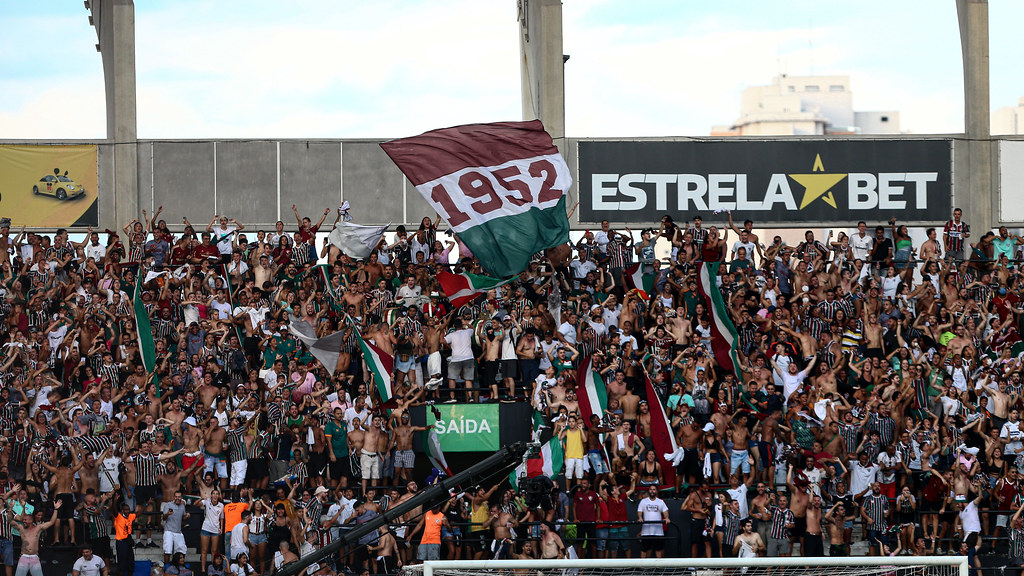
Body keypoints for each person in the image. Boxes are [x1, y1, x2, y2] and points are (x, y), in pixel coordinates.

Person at [12, 500, 61, 576]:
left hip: (34, 557)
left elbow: (52, 522)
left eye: (25, 520)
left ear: (31, 520)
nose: (23, 521)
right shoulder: (22, 528)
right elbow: (10, 521)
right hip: (23, 556)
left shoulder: (38, 528)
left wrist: (56, 509)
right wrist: (11, 509)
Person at [637, 485, 668, 559]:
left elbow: (665, 511)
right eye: (650, 489)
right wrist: (640, 517)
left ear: (656, 491)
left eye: (654, 489)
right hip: (646, 531)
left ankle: (659, 567)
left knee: (658, 549)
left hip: (658, 531)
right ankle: (643, 567)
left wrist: (667, 518)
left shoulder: (660, 502)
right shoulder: (643, 501)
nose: (652, 491)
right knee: (644, 549)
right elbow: (639, 511)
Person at [113, 503, 135, 576]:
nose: (128, 511)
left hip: (128, 541)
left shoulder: (130, 516)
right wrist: (115, 501)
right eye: (126, 510)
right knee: (121, 564)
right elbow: (114, 510)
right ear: (122, 510)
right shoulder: (118, 517)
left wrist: (147, 504)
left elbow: (138, 513)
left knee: (131, 563)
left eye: (128, 509)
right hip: (121, 542)